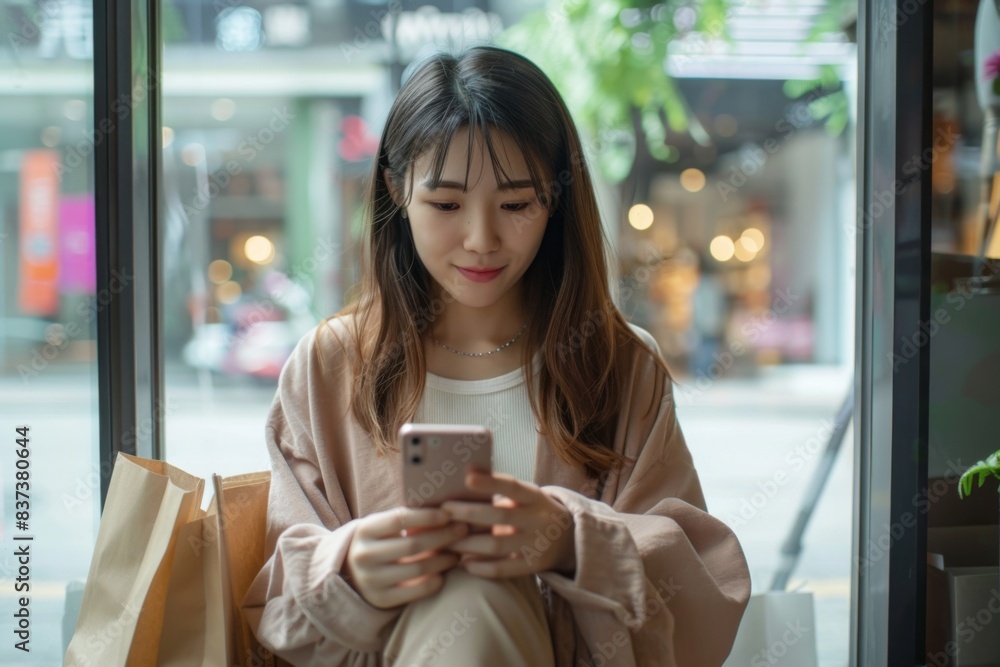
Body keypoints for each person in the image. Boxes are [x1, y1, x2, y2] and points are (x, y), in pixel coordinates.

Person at [241, 46, 750, 667]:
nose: (482, 240)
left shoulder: (618, 366)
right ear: (396, 191)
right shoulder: (329, 365)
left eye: (517, 204)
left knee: (477, 587)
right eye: (447, 205)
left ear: (556, 200)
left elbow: (695, 599)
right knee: (468, 588)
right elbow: (273, 605)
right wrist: (349, 570)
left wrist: (567, 542)